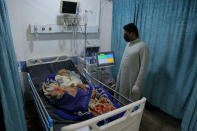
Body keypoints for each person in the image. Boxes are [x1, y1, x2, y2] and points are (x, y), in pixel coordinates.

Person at [115, 23, 149, 103]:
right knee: (120, 100)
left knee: (129, 103)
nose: (124, 36)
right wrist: (118, 76)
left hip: (132, 81)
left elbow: (143, 68)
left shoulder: (142, 47)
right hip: (123, 78)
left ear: (132, 33)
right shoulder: (128, 44)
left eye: (126, 34)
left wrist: (137, 85)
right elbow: (123, 62)